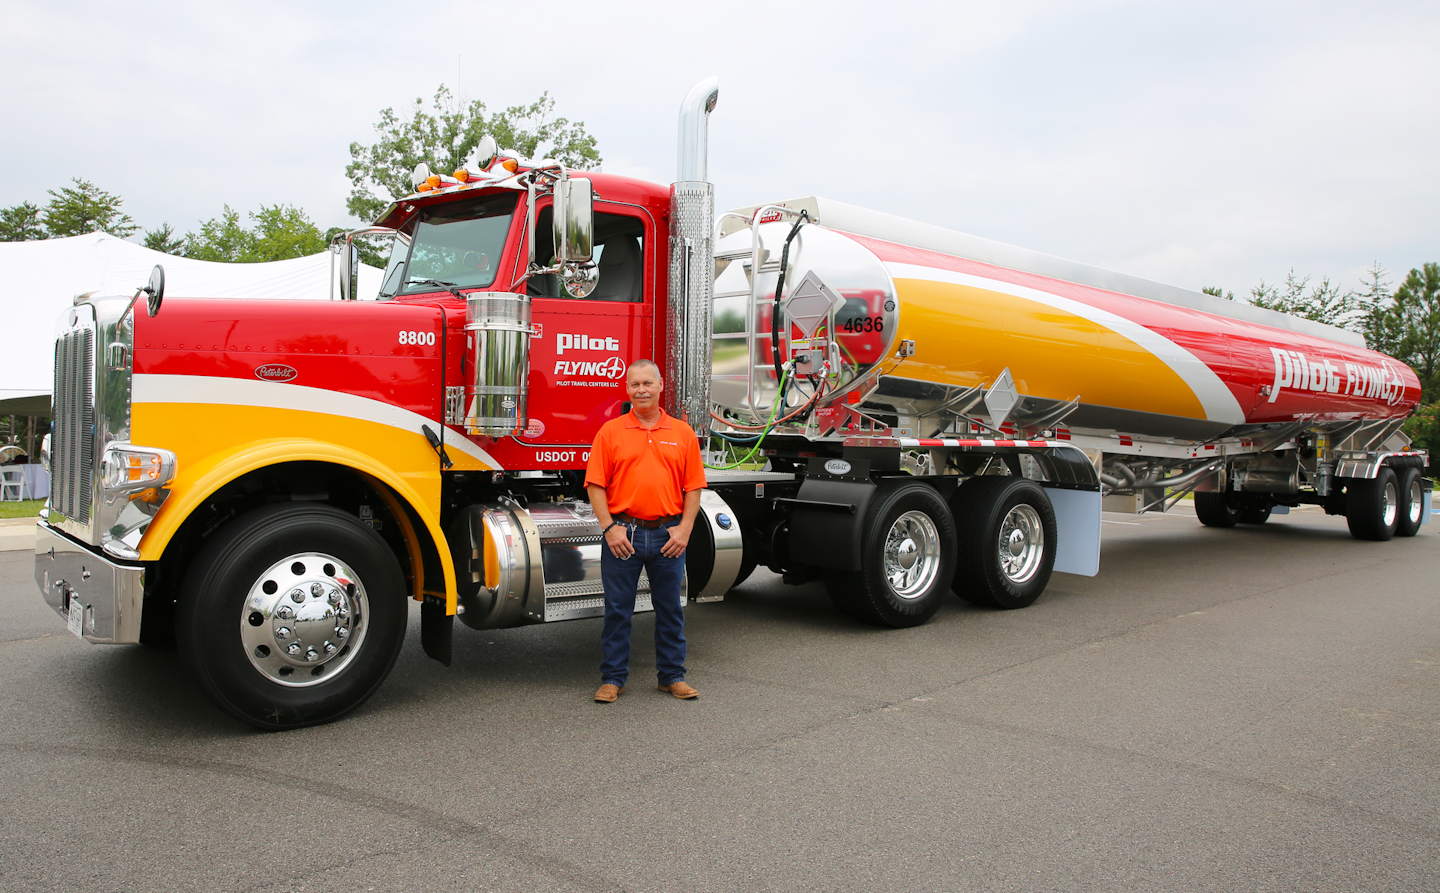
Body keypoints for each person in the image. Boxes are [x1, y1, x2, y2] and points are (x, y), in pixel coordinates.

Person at [584, 359, 706, 703]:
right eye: (635, 385)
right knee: (618, 610)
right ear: (627, 390)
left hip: (668, 536)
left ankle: (671, 677)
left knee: (670, 609)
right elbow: (595, 485)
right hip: (625, 535)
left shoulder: (682, 433)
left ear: (660, 385)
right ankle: (613, 679)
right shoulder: (610, 432)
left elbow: (694, 487)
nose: (641, 390)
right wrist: (609, 529)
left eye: (647, 383)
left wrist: (684, 530)